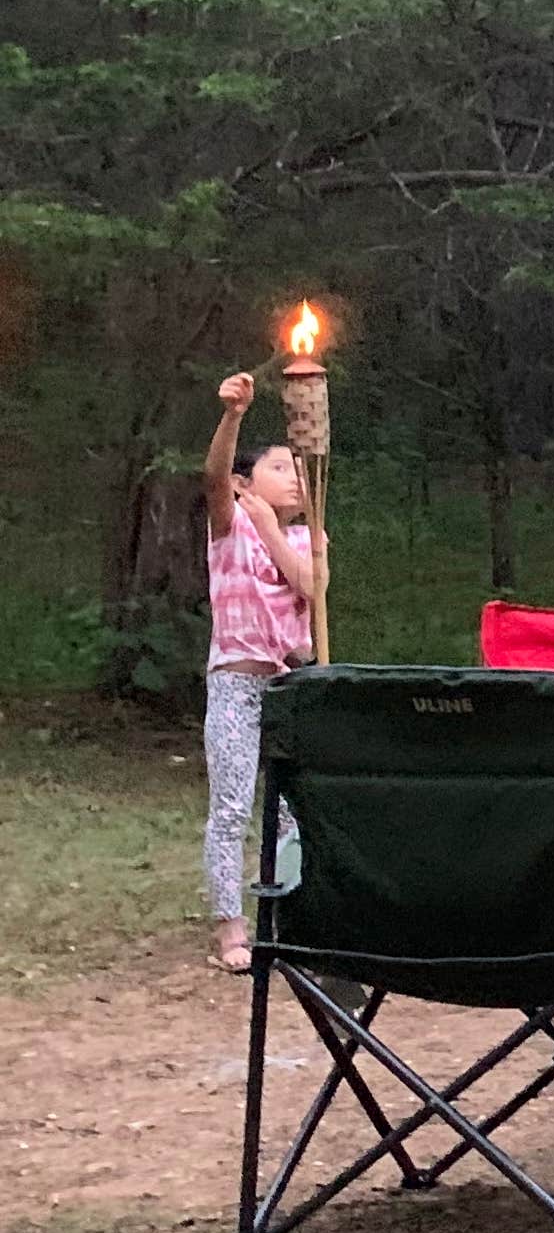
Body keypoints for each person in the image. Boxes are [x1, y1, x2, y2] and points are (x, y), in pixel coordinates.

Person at [201, 372, 325, 971]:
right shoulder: (226, 528)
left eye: (297, 469)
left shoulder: (308, 535)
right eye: (281, 467)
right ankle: (231, 928)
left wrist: (274, 528)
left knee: (290, 813)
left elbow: (311, 588)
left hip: (289, 688)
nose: (296, 476)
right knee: (231, 807)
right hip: (236, 683)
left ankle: (287, 917)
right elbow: (212, 477)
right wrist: (234, 415)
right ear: (247, 485)